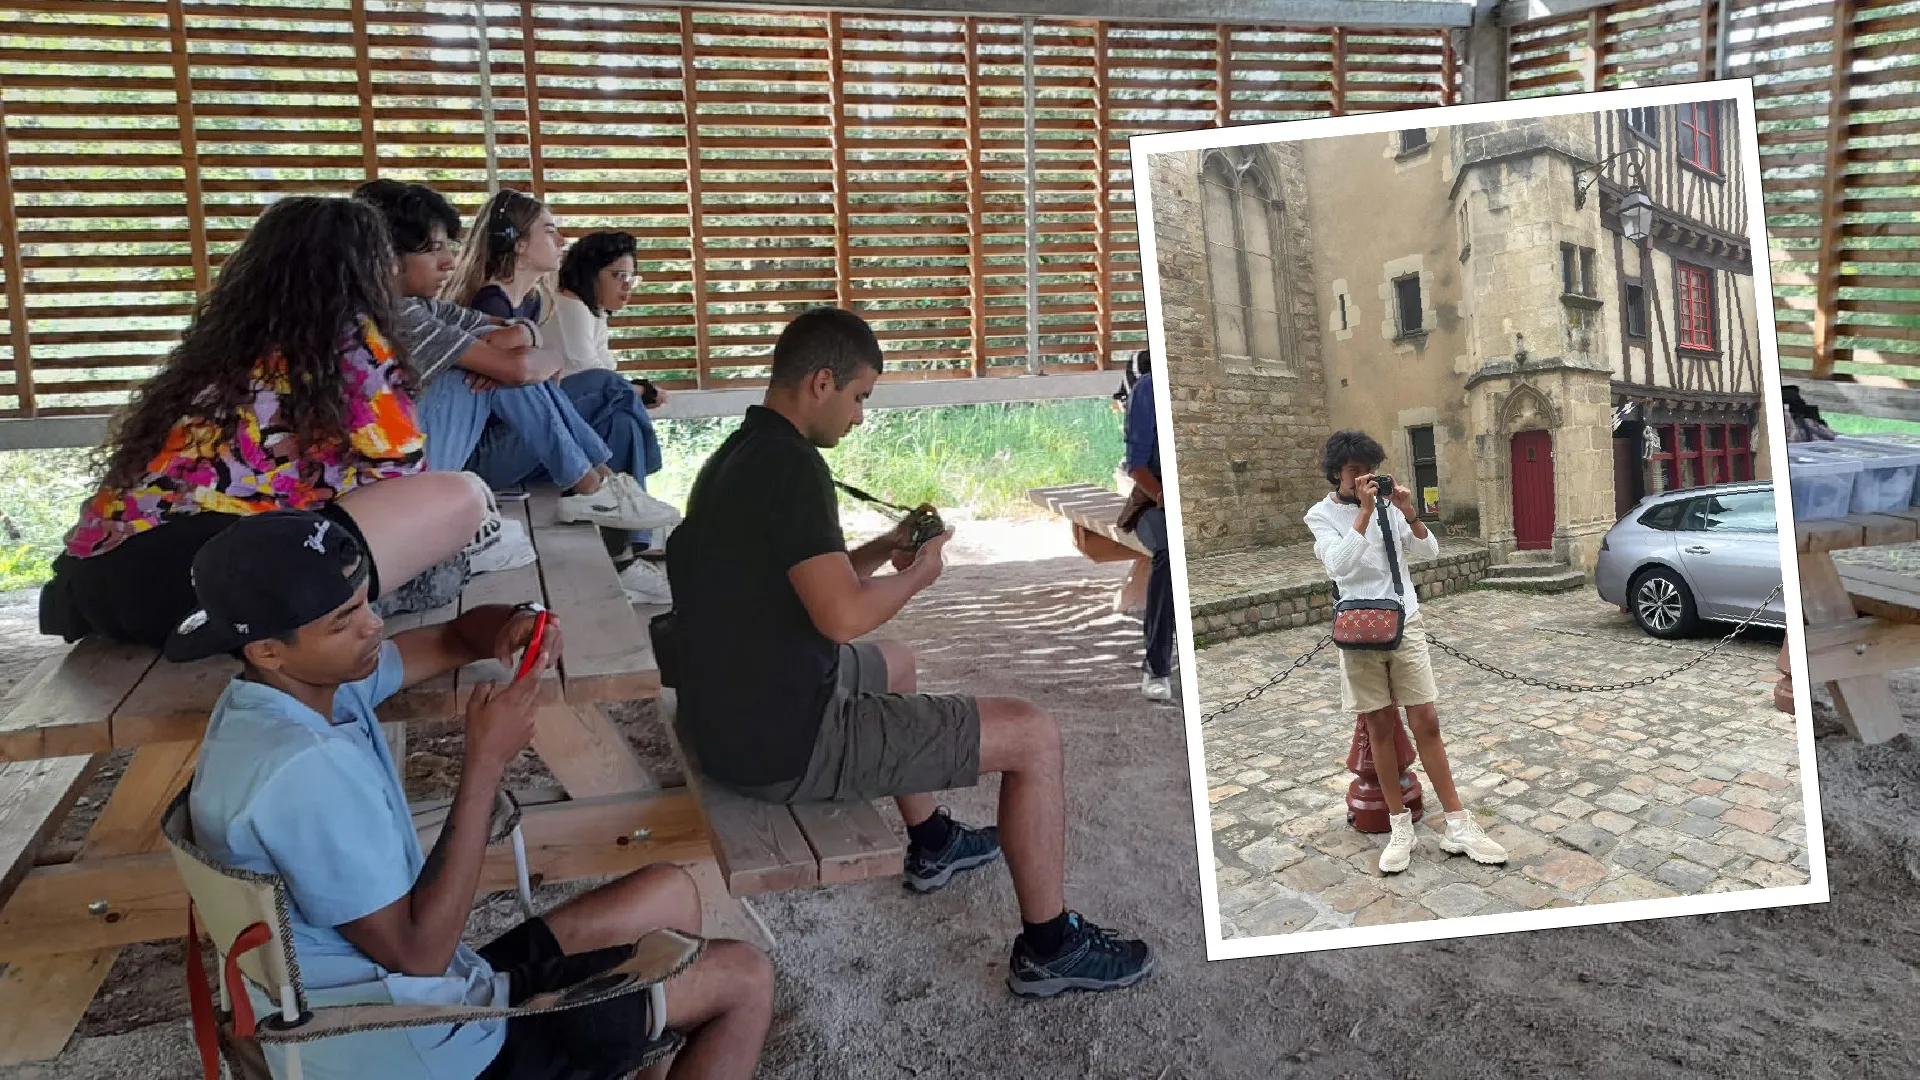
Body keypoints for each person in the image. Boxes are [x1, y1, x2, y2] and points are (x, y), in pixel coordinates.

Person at [180, 509, 774, 1080]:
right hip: (425, 1050)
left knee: (668, 891)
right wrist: (484, 762)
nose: (373, 626)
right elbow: (418, 955)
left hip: (418, 1001)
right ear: (267, 650)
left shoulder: (282, 697)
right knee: (744, 977)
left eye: (365, 602)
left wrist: (516, 621)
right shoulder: (303, 768)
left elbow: (449, 639)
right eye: (344, 621)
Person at [664, 307, 1153, 999]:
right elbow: (840, 618)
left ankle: (933, 841)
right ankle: (1050, 945)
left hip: (729, 715)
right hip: (783, 743)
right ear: (822, 382)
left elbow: (803, 577)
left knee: (895, 662)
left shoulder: (739, 453)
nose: (861, 417)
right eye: (860, 397)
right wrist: (918, 574)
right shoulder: (794, 469)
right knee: (1035, 736)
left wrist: (875, 551)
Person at [37, 196, 485, 651]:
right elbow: (403, 471)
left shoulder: (224, 342)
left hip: (101, 583)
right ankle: (303, 614)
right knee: (460, 495)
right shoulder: (351, 339)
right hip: (208, 581)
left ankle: (296, 609)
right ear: (368, 267)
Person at [351, 180, 672, 541]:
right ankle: (595, 489)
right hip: (423, 470)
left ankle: (606, 490)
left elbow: (530, 344)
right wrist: (515, 355)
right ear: (390, 259)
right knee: (556, 378)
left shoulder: (423, 307)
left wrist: (526, 338)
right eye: (434, 249)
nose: (448, 262)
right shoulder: (400, 316)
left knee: (598, 398)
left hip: (449, 452)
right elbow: (517, 367)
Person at [1305, 430, 1508, 875]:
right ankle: (1400, 827)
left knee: (1426, 721)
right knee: (1379, 724)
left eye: (1370, 470)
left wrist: (1410, 513)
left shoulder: (1387, 508)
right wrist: (1362, 514)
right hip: (1357, 627)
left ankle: (1458, 822)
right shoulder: (1320, 515)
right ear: (1337, 474)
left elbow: (1428, 550)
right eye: (1355, 471)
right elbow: (1339, 565)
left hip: (1405, 620)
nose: (1365, 479)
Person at [445, 189, 673, 561]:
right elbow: (525, 377)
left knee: (621, 422)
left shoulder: (531, 302)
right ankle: (619, 490)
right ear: (519, 245)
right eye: (550, 231)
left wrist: (538, 356)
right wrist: (536, 360)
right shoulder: (490, 302)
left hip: (521, 439)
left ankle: (626, 554)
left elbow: (545, 377)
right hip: (482, 454)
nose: (562, 240)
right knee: (609, 387)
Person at [548, 228, 675, 596]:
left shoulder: (592, 313)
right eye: (618, 276)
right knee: (619, 408)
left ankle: (626, 554)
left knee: (622, 419)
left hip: (577, 425)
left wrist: (636, 392)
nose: (627, 286)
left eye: (631, 277)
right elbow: (597, 382)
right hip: (553, 430)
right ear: (591, 272)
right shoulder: (569, 309)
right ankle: (628, 544)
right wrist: (638, 391)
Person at [1122, 349, 1175, 703]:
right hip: (1151, 502)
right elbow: (1136, 465)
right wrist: (1161, 495)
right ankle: (1155, 667)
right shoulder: (1147, 389)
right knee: (1169, 553)